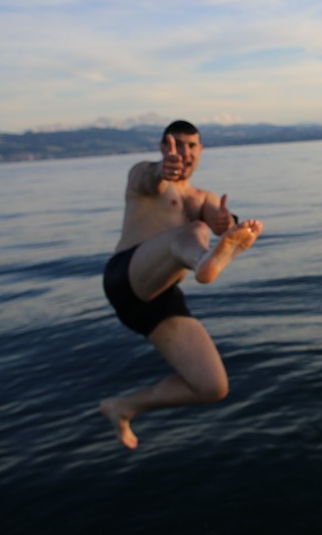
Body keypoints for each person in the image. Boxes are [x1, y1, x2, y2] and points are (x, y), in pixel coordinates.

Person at [99, 120, 262, 450]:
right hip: (126, 277)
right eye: (176, 145)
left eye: (191, 146)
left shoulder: (202, 197)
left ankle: (122, 407)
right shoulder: (144, 175)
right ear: (163, 148)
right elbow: (150, 179)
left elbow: (220, 215)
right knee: (194, 232)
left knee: (211, 386)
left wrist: (226, 223)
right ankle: (207, 263)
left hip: (160, 299)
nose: (184, 153)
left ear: (201, 150)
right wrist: (162, 170)